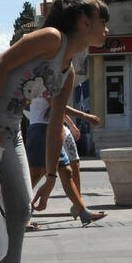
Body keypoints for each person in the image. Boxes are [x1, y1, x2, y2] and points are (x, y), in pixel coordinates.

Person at [0, 0, 110, 263]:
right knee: (17, 209)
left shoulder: (68, 72)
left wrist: (51, 177)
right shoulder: (51, 39)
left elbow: (55, 125)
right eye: (103, 22)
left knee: (18, 208)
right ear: (85, 23)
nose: (107, 29)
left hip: (12, 128)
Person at [25, 96, 105, 227]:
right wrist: (85, 116)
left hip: (53, 131)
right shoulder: (45, 82)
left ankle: (83, 212)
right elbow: (58, 106)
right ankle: (20, 216)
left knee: (67, 171)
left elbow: (58, 110)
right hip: (40, 131)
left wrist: (71, 125)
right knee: (33, 177)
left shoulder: (54, 82)